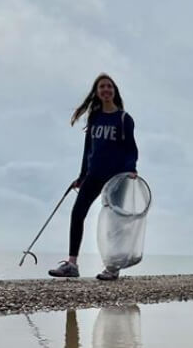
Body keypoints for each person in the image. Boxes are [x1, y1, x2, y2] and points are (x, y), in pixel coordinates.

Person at [49, 73, 138, 281]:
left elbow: (131, 149)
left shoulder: (124, 119)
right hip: (94, 175)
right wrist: (81, 176)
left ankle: (112, 267)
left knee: (114, 224)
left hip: (117, 179)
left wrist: (131, 168)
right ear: (97, 93)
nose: (106, 90)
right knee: (77, 213)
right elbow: (88, 149)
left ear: (114, 91)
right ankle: (72, 264)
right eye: (102, 87)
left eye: (109, 87)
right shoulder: (95, 118)